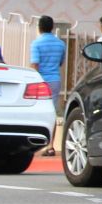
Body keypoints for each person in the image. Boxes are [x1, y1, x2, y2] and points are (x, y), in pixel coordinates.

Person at [30, 15, 67, 156]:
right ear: (52, 27)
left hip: (40, 80)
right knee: (52, 113)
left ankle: (36, 143)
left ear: (39, 27)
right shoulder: (60, 44)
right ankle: (51, 145)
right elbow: (60, 62)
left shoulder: (36, 44)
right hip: (55, 80)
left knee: (36, 112)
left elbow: (34, 64)